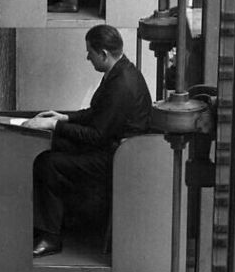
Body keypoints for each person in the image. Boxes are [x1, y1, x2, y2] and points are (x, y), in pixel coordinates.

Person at [23, 24, 152, 258]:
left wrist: (55, 126)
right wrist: (65, 118)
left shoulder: (121, 85)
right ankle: (45, 223)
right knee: (53, 146)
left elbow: (96, 135)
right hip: (111, 148)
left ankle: (51, 237)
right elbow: (96, 113)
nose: (87, 58)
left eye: (90, 53)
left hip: (116, 160)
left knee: (47, 164)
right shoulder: (119, 71)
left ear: (103, 53)